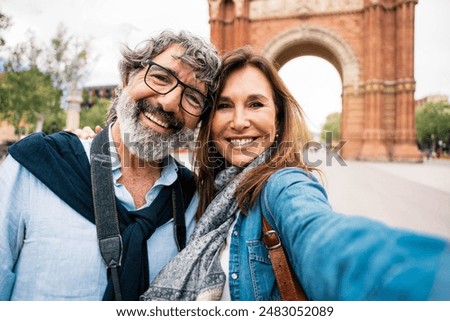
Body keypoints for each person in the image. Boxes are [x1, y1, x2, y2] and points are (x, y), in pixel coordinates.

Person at [140, 46, 450, 301]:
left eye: (255, 104)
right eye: (223, 105)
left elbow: (322, 235)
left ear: (278, 117)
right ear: (210, 120)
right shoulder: (208, 193)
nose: (238, 121)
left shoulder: (284, 184)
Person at [0, 30, 221, 300]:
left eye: (193, 98)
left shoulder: (194, 202)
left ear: (200, 120)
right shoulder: (37, 168)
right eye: (161, 77)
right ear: (128, 77)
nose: (169, 102)